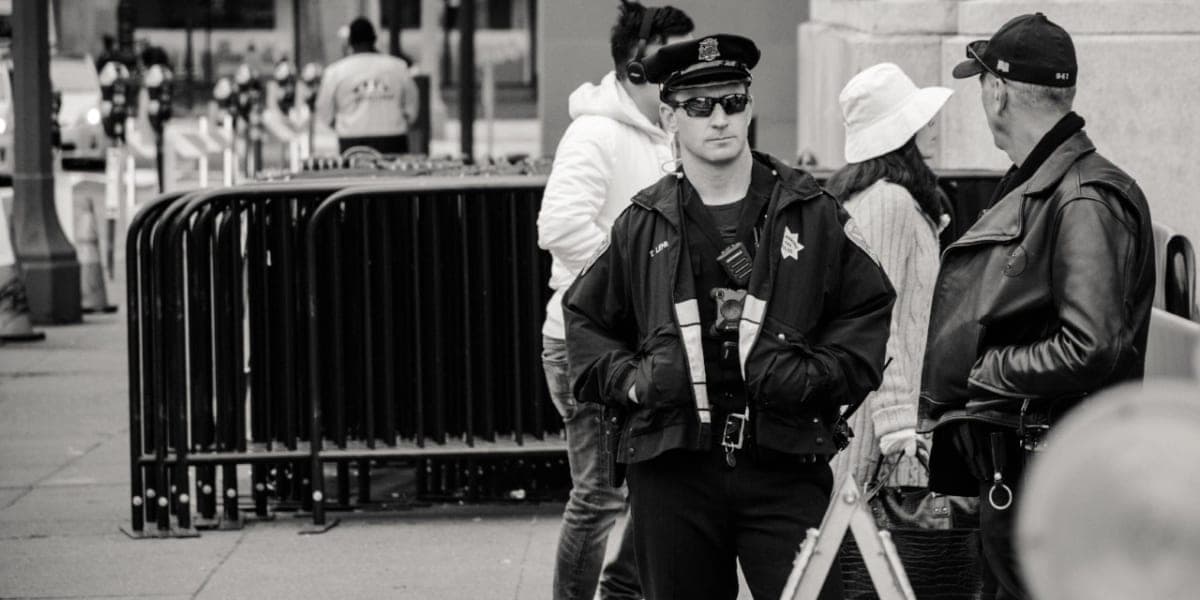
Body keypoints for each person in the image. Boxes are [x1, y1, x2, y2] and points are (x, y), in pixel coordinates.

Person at [564, 33, 895, 600]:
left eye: (733, 100)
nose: (718, 118)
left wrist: (812, 380)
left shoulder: (811, 211)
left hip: (786, 464)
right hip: (673, 470)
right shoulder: (640, 222)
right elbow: (586, 322)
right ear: (669, 115)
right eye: (698, 105)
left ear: (750, 105)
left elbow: (868, 309)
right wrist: (635, 384)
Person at [919, 13, 1156, 600]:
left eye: (981, 84)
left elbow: (1091, 343)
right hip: (1028, 466)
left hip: (1048, 473)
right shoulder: (1045, 181)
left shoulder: (1080, 197)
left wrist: (984, 371)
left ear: (997, 92)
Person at [536, 3, 694, 599]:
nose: (688, 76)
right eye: (672, 64)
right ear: (635, 71)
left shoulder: (669, 132)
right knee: (602, 495)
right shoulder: (595, 133)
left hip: (644, 344)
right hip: (589, 347)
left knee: (658, 482)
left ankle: (620, 593)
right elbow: (558, 226)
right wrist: (632, 279)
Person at [826, 62, 952, 491]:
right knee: (863, 550)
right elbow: (877, 316)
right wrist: (899, 425)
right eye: (920, 119)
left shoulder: (875, 196)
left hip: (881, 422)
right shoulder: (887, 202)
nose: (933, 127)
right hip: (878, 432)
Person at [315, 17, 419, 154]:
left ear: (350, 42)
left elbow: (324, 110)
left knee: (355, 175)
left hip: (352, 140)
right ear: (374, 39)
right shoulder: (398, 67)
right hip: (393, 139)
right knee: (395, 176)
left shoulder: (335, 72)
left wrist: (343, 125)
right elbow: (412, 105)